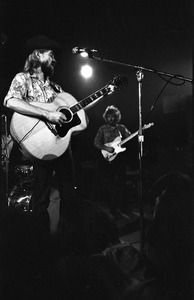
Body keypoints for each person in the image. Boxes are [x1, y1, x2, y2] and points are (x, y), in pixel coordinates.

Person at [3, 37, 75, 236]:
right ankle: (41, 244)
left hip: (61, 145)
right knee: (41, 197)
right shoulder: (22, 79)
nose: (55, 60)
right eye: (51, 55)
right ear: (37, 55)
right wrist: (47, 113)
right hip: (39, 146)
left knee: (69, 196)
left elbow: (69, 117)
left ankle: (67, 240)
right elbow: (10, 101)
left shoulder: (56, 88)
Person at [94, 105, 131, 218]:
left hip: (120, 159)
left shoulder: (122, 128)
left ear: (116, 117)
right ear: (106, 117)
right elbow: (96, 142)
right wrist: (106, 148)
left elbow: (129, 136)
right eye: (108, 117)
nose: (111, 119)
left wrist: (134, 136)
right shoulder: (102, 129)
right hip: (107, 159)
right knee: (110, 185)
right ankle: (113, 209)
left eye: (113, 116)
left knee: (122, 183)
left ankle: (123, 207)